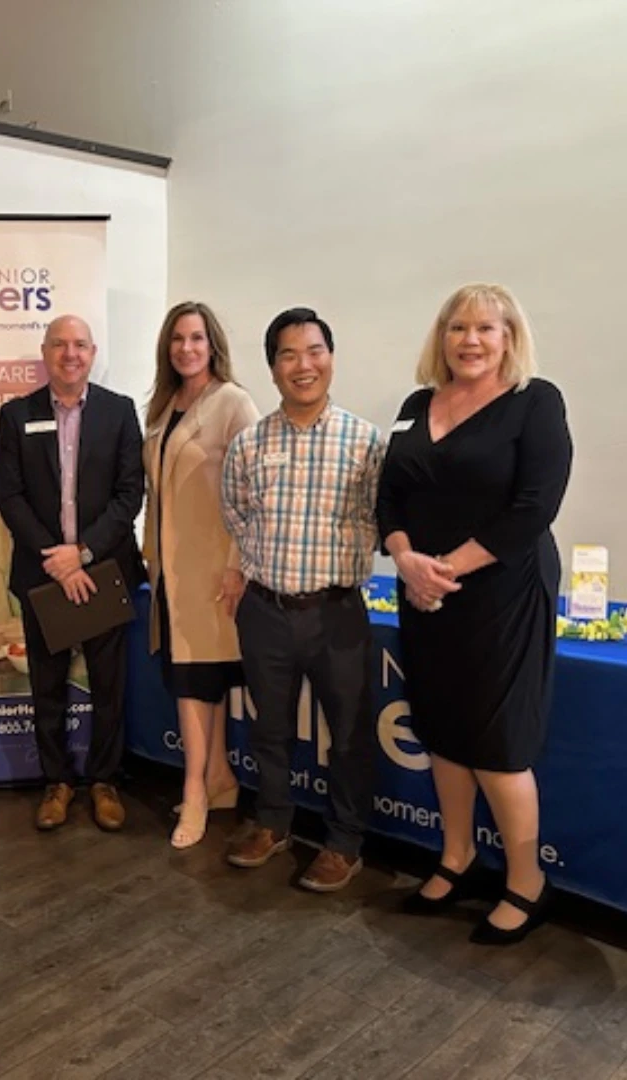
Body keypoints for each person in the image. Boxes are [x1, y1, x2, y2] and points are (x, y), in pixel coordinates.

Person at [378, 283, 572, 945]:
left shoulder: (534, 403)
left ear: (510, 338)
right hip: (424, 591)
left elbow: (534, 507)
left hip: (502, 593)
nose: (470, 340)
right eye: (458, 327)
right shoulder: (414, 406)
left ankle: (527, 882)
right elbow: (389, 500)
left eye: (486, 328)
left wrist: (444, 569)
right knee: (441, 730)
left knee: (495, 742)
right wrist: (406, 560)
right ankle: (455, 857)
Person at [222, 307, 383, 891]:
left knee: (348, 733)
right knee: (269, 729)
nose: (303, 365)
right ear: (272, 368)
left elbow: (377, 518)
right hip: (265, 610)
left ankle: (344, 843)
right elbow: (237, 514)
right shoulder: (248, 444)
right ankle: (273, 823)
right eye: (288, 355)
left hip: (337, 612)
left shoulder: (366, 443)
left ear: (331, 358)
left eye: (313, 351)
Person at [0, 314, 145, 832]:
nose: (70, 354)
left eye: (79, 345)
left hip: (102, 569)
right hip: (43, 573)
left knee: (109, 686)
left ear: (93, 351)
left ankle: (104, 781)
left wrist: (80, 554)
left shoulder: (120, 412)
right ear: (45, 351)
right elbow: (9, 496)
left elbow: (131, 495)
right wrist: (55, 558)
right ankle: (55, 782)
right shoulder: (17, 415)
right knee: (48, 685)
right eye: (59, 344)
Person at [143, 301, 258, 849]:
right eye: (177, 339)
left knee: (196, 682)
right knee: (191, 679)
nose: (186, 348)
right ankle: (219, 779)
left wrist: (237, 565)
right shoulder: (164, 407)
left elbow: (255, 493)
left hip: (214, 571)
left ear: (212, 344)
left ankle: (194, 791)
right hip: (171, 572)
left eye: (196, 338)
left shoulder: (232, 403)